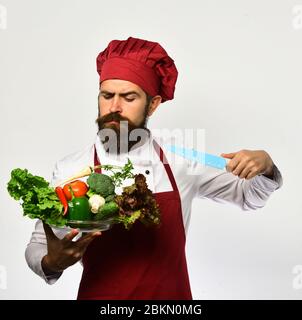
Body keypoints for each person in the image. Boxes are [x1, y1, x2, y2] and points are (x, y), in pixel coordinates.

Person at [25, 37, 283, 300]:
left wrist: (265, 166)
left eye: (128, 97)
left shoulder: (182, 159)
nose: (114, 107)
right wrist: (51, 263)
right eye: (107, 95)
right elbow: (38, 245)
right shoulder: (73, 168)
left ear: (153, 104)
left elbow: (249, 197)